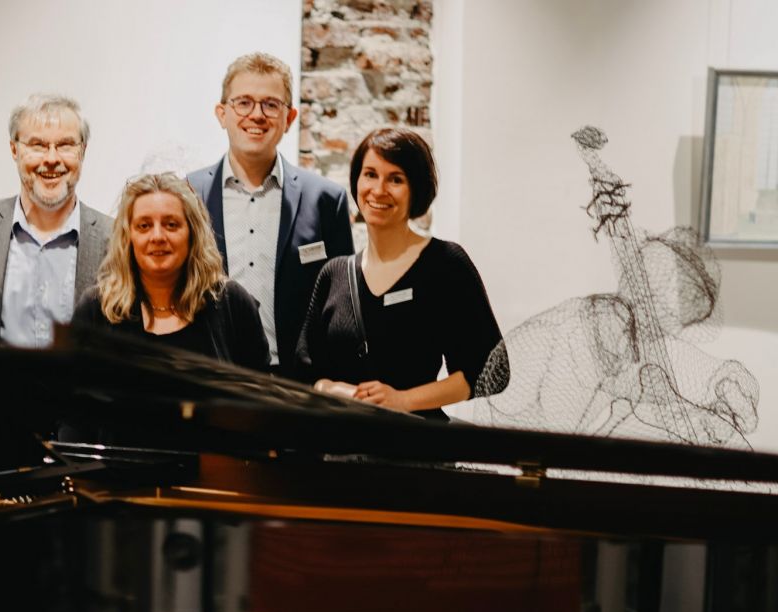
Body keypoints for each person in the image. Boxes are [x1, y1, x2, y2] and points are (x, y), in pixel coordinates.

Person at [296, 128, 505, 420]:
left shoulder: (446, 264)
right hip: (342, 455)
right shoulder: (334, 274)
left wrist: (403, 400)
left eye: (395, 179)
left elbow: (492, 371)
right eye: (370, 174)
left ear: (416, 190)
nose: (379, 190)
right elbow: (305, 372)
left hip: (415, 455)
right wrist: (336, 391)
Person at [188, 52, 354, 376]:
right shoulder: (188, 195)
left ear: (289, 118)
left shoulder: (326, 201)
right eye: (244, 103)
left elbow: (341, 309)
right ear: (222, 114)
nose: (257, 115)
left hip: (297, 388)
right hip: (211, 381)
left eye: (270, 104)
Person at [0, 94, 111, 348]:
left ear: (83, 151)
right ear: (14, 149)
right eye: (37, 145)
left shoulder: (116, 240)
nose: (51, 159)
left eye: (65, 145)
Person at [72, 173, 269, 369]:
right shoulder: (96, 310)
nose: (157, 236)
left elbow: (260, 396)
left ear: (192, 233)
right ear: (128, 237)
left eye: (171, 225)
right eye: (144, 226)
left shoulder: (232, 304)